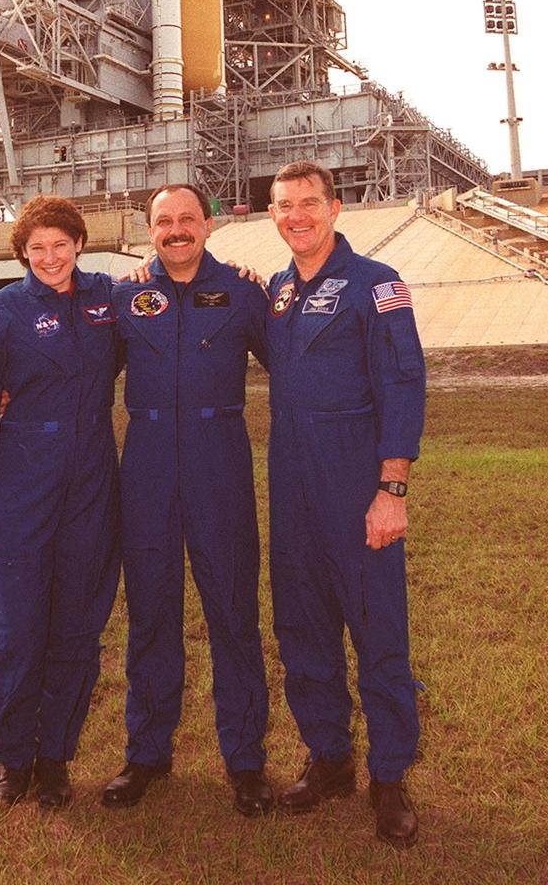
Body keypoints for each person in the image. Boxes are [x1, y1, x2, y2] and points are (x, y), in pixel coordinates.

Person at [265, 160, 425, 848]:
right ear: (271, 215)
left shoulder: (376, 284)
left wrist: (391, 489)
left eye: (308, 202)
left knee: (377, 634)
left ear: (334, 208)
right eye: (283, 205)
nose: (296, 215)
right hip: (291, 484)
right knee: (302, 630)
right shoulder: (273, 290)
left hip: (356, 482)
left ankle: (388, 777)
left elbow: (403, 381)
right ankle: (329, 759)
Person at [101, 184, 273, 816]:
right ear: (149, 230)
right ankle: (146, 752)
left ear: (209, 224)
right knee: (150, 612)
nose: (176, 230)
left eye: (187, 219)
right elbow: (83, 370)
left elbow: (295, 364)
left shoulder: (245, 291)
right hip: (145, 460)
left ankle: (246, 760)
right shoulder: (126, 297)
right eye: (163, 222)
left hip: (218, 458)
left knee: (232, 609)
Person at [0, 196, 120, 808]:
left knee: (78, 624)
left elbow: (162, 298)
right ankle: (14, 759)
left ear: (79, 243)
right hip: (23, 476)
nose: (50, 257)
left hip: (93, 476)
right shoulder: (1, 310)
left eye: (61, 244)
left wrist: (234, 272)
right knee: (18, 627)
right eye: (37, 248)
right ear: (22, 252)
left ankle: (56, 758)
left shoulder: (105, 297)